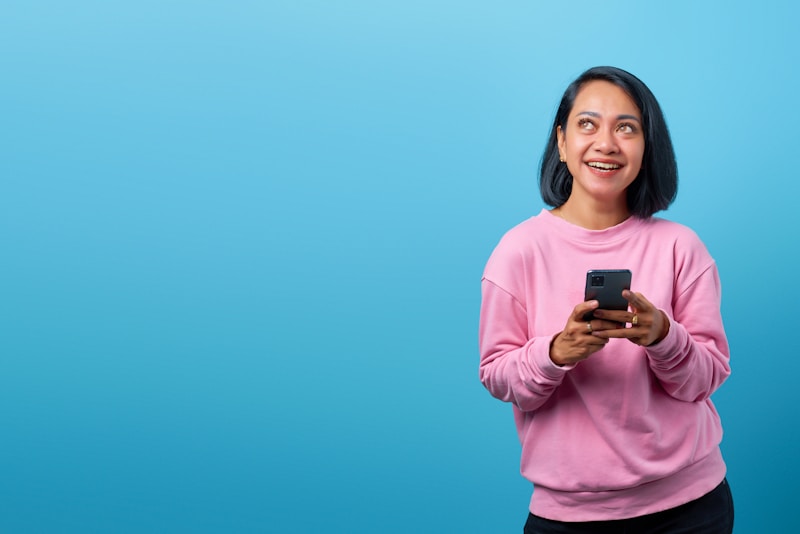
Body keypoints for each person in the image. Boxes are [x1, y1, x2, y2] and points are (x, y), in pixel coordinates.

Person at [478, 66, 733, 533]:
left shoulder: (682, 247)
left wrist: (664, 338)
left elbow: (707, 377)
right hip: (570, 516)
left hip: (692, 506)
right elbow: (496, 375)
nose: (607, 143)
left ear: (646, 147)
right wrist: (555, 354)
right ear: (561, 142)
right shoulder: (517, 251)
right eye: (588, 124)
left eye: (626, 128)